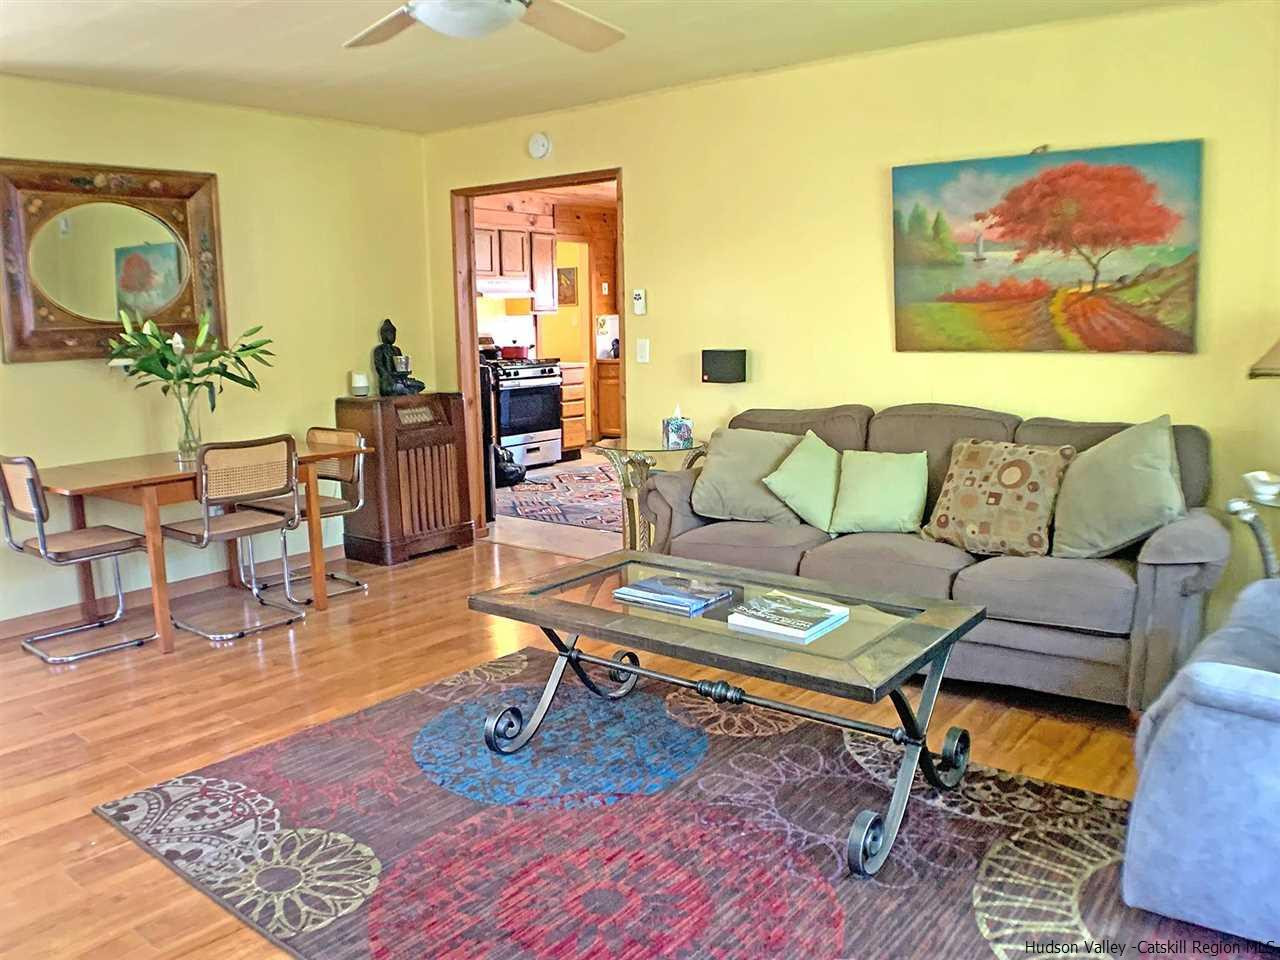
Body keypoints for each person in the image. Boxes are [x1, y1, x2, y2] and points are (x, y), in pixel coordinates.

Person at [372, 318, 425, 396]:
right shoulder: (379, 350)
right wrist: (390, 376)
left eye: (394, 334)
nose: (393, 336)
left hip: (400, 380)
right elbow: (379, 367)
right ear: (383, 334)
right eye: (390, 333)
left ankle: (405, 387)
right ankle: (405, 389)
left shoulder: (397, 350)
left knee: (420, 385)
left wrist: (405, 372)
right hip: (388, 383)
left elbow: (401, 367)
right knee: (405, 390)